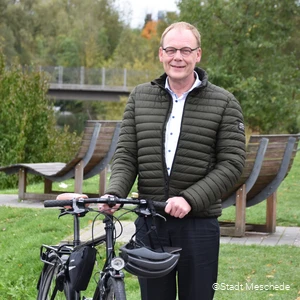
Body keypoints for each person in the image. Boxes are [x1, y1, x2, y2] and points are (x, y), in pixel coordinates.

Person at [60, 21, 246, 300]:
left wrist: (190, 199)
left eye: (186, 50)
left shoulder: (224, 102)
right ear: (161, 54)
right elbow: (126, 154)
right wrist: (115, 193)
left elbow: (232, 164)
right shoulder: (140, 97)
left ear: (198, 54)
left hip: (198, 225)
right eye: (171, 50)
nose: (177, 57)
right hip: (150, 221)